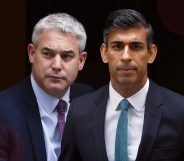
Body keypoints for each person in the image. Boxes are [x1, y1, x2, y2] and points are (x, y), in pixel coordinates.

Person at [58, 9, 184, 161]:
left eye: (136, 46)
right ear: (104, 53)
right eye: (117, 46)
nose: (126, 56)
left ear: (151, 53)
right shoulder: (79, 111)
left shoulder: (179, 111)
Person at [0, 13, 94, 161]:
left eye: (67, 56)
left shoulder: (91, 101)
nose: (57, 66)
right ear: (32, 53)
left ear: (81, 61)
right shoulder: (3, 110)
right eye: (48, 54)